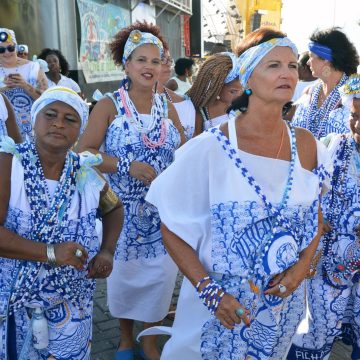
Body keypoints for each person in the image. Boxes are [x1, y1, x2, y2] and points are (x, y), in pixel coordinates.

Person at [145, 28, 331, 359]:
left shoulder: (306, 145)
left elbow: (314, 216)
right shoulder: (211, 147)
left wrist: (303, 266)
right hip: (221, 311)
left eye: (291, 65)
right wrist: (211, 293)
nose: (286, 73)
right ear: (247, 77)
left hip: (280, 311)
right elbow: (170, 228)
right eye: (273, 65)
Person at [76, 21, 185, 360]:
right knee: (124, 281)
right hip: (121, 217)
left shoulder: (167, 104)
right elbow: (84, 154)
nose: (149, 67)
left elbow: (183, 146)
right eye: (141, 60)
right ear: (126, 64)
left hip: (161, 216)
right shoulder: (109, 105)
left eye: (156, 60)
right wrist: (126, 166)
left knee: (160, 280)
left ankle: (149, 340)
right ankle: (125, 337)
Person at [0, 86, 124, 359]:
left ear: (80, 129)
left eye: (71, 119)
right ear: (34, 119)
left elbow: (114, 208)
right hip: (14, 303)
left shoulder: (86, 171)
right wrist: (51, 252)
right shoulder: (9, 164)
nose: (58, 123)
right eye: (51, 114)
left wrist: (107, 251)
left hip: (73, 305)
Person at [288, 74, 360, 360]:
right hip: (326, 265)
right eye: (354, 115)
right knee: (314, 335)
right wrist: (318, 219)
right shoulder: (331, 145)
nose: (357, 124)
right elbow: (302, 192)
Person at [291, 27, 359, 139]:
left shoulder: (355, 92)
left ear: (326, 59)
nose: (307, 62)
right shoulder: (309, 91)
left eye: (311, 56)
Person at [0, 28, 48, 141]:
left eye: (10, 48)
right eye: (1, 50)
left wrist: (25, 85)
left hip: (33, 131)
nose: (7, 52)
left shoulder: (33, 68)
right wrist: (4, 89)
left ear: (16, 47)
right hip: (4, 135)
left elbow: (48, 99)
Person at [187, 52, 242, 136]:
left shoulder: (239, 107)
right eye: (233, 91)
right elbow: (196, 142)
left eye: (241, 90)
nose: (239, 95)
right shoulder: (200, 111)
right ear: (216, 87)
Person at [157, 49, 196, 140]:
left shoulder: (188, 83)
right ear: (186, 70)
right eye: (162, 59)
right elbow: (162, 93)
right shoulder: (173, 82)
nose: (168, 64)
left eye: (169, 60)